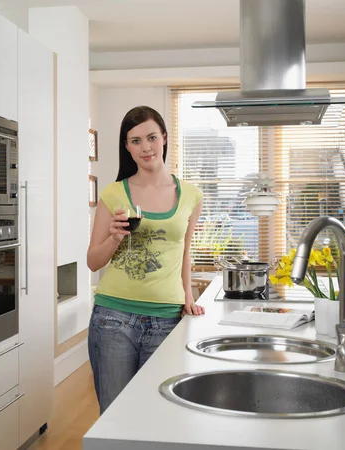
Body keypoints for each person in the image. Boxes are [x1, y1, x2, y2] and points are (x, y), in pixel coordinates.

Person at [86, 105, 205, 415]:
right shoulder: (113, 193)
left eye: (151, 137)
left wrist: (188, 296)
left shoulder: (191, 194)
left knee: (159, 415)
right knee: (115, 416)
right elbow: (93, 261)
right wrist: (114, 238)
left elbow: (185, 249)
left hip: (167, 320)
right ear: (127, 147)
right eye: (135, 140)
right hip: (113, 318)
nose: (145, 147)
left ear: (164, 137)